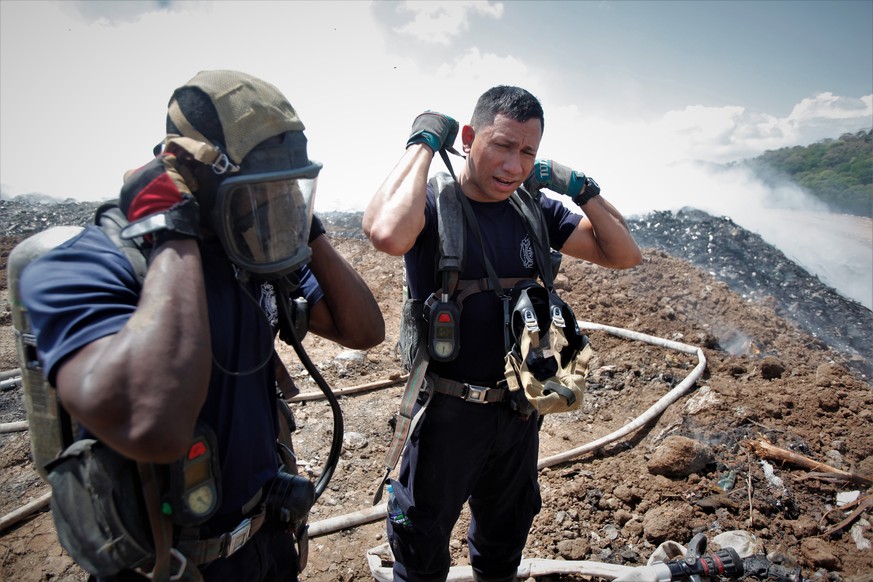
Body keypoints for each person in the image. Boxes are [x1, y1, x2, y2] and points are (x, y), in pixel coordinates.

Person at [20, 70, 384, 581]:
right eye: (261, 190)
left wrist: (301, 220)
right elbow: (154, 426)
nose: (274, 203)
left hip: (267, 540)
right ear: (192, 170)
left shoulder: (255, 248)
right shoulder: (89, 266)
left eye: (289, 188)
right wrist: (169, 226)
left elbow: (362, 330)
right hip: (171, 566)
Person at [363, 85, 642, 581]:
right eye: (502, 145)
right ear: (469, 138)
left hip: (519, 413)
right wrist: (424, 143)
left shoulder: (531, 209)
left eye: (528, 152)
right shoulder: (431, 204)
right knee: (420, 544)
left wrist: (580, 187)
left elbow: (622, 253)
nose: (514, 165)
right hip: (448, 414)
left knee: (503, 543)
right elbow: (386, 232)